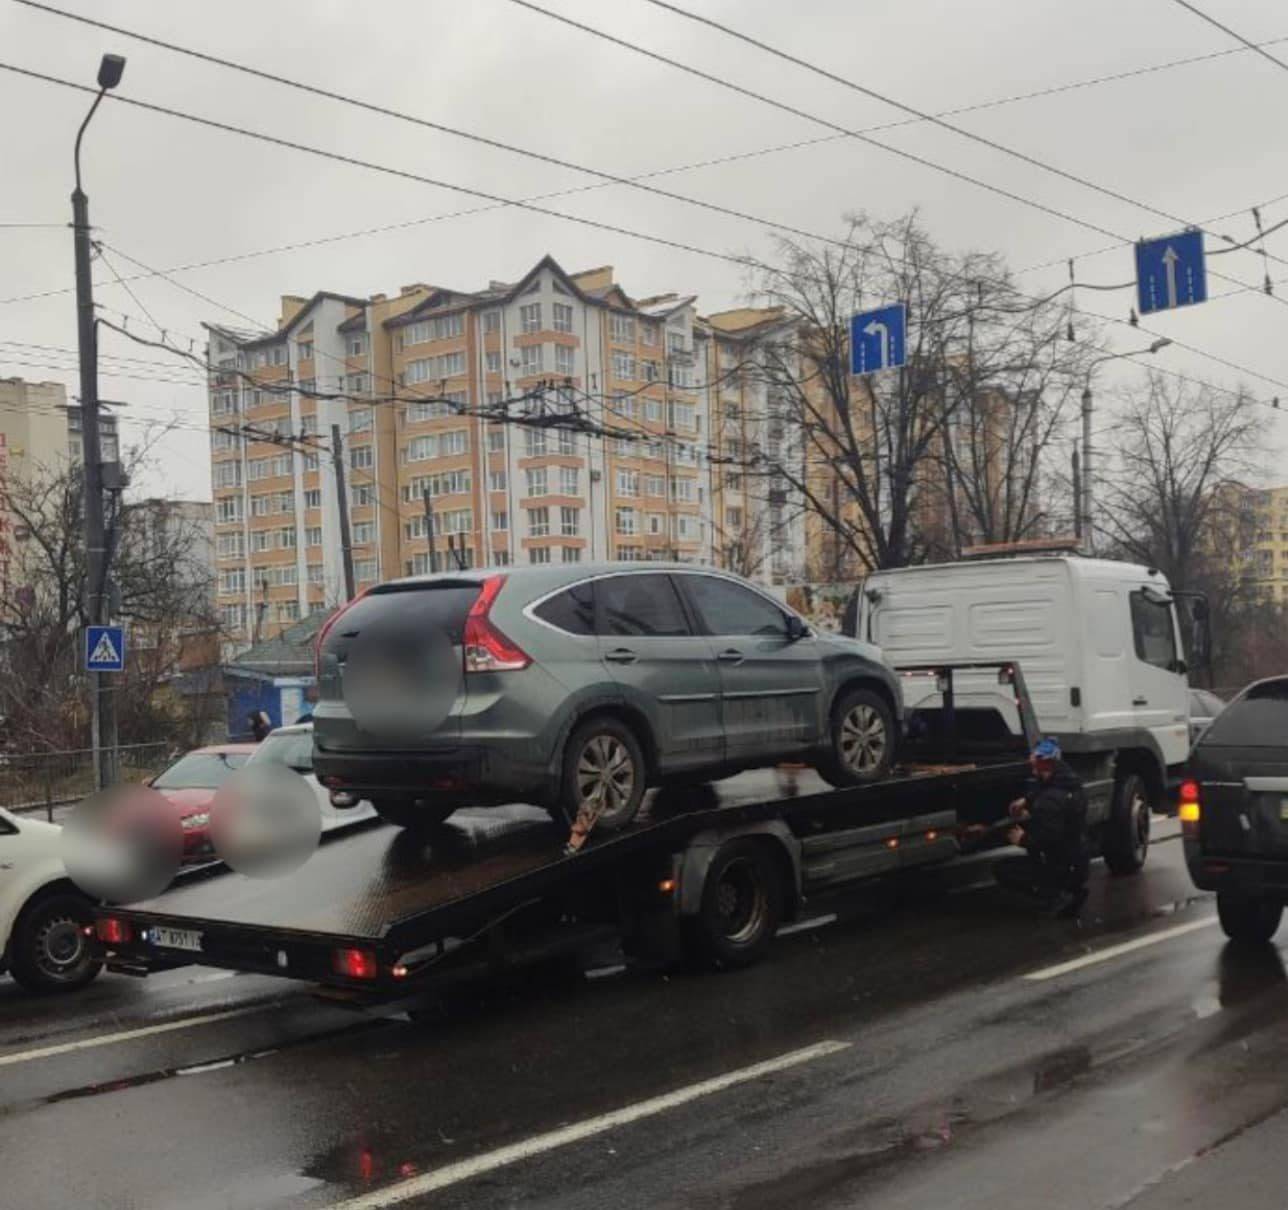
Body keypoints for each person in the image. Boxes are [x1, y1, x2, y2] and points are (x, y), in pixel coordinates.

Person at [993, 737, 1090, 919]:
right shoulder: (1073, 785)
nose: (1033, 770)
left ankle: (1057, 896)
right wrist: (1027, 801)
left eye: (1035, 766)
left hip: (1061, 865)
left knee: (1003, 870)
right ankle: (1071, 890)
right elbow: (1048, 790)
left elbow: (1048, 839)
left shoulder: (1049, 801)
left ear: (1044, 765)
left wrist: (1022, 839)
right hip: (1078, 863)